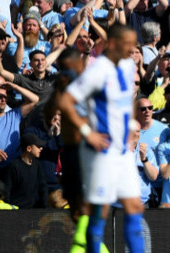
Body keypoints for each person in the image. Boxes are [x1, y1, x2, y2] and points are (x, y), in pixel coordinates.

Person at [57, 24, 147, 253]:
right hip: (101, 151)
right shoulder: (98, 71)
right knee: (101, 210)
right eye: (127, 45)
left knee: (135, 205)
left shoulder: (128, 66)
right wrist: (88, 133)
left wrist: (127, 127)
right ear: (113, 44)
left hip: (122, 150)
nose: (132, 50)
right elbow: (66, 102)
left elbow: (126, 99)